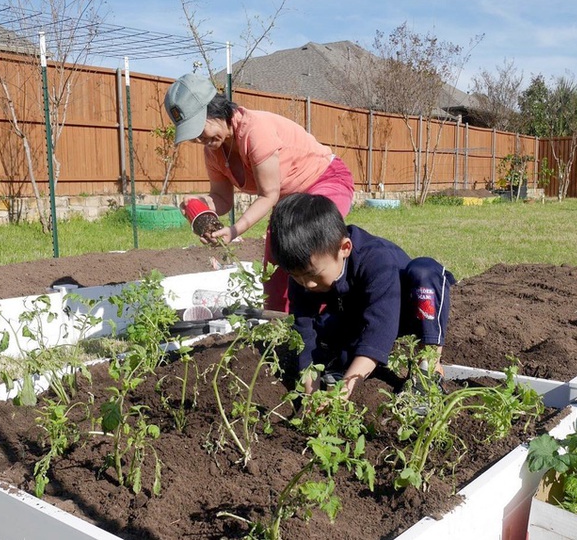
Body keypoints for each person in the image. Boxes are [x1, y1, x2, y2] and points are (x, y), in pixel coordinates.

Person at [164, 73, 355, 312]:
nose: (199, 139)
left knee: (311, 243)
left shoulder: (254, 130)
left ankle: (337, 315)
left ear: (215, 109)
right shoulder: (213, 150)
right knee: (275, 277)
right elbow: (222, 199)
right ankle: (279, 333)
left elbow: (268, 195)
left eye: (199, 128)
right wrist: (199, 205)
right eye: (193, 135)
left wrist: (234, 230)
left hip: (324, 179)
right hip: (289, 200)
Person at [268, 193, 456, 400]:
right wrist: (311, 395)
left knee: (425, 272)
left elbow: (379, 331)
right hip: (359, 312)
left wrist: (344, 391)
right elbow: (304, 335)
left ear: (344, 248)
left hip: (404, 311)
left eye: (312, 275)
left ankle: (428, 369)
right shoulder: (304, 273)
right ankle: (342, 362)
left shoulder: (376, 259)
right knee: (324, 333)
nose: (307, 284)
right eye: (296, 276)